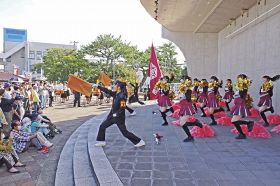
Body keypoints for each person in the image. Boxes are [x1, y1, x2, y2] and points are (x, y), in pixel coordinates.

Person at [95, 80, 145, 147]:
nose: (114, 86)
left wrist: (117, 114)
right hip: (112, 116)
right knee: (102, 126)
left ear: (118, 87)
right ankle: (101, 141)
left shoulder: (122, 96)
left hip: (119, 117)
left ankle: (139, 141)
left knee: (124, 133)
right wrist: (98, 86)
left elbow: (123, 107)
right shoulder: (116, 93)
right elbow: (107, 91)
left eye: (115, 85)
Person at [178, 77, 203, 142]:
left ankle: (195, 125)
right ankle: (195, 125)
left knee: (182, 123)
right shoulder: (182, 87)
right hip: (183, 106)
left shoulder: (188, 89)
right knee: (181, 123)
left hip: (186, 106)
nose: (181, 80)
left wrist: (186, 91)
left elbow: (189, 98)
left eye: (182, 79)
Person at [231, 74, 254, 139]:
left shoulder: (244, 87)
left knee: (234, 121)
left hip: (241, 105)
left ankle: (248, 123)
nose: (238, 79)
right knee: (234, 121)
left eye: (240, 78)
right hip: (238, 105)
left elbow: (242, 95)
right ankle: (242, 134)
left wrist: (241, 86)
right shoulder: (240, 87)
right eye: (238, 78)